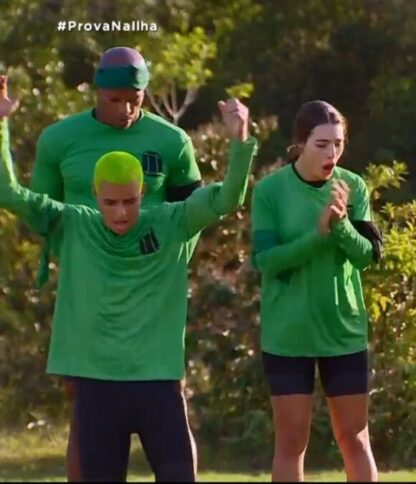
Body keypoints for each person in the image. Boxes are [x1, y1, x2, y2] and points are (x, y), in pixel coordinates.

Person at [0, 74, 258, 481]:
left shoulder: (173, 220)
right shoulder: (76, 222)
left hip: (156, 378)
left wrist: (241, 141)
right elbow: (10, 193)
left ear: (144, 191)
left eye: (130, 201)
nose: (121, 213)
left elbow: (227, 199)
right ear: (95, 196)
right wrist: (1, 124)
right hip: (99, 383)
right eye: (110, 203)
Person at [28, 46, 203, 482]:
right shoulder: (59, 140)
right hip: (85, 290)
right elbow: (40, 214)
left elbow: (193, 214)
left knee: (167, 394)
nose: (125, 108)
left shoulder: (171, 142)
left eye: (135, 98)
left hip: (150, 288)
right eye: (115, 99)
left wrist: (165, 262)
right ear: (97, 92)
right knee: (85, 401)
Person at [251, 100, 383, 482]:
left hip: (343, 331)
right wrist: (318, 235)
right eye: (321, 144)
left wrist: (340, 226)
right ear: (300, 143)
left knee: (354, 438)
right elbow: (268, 261)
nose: (331, 153)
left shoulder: (353, 186)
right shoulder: (270, 191)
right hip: (288, 334)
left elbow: (366, 257)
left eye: (338, 144)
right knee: (291, 439)